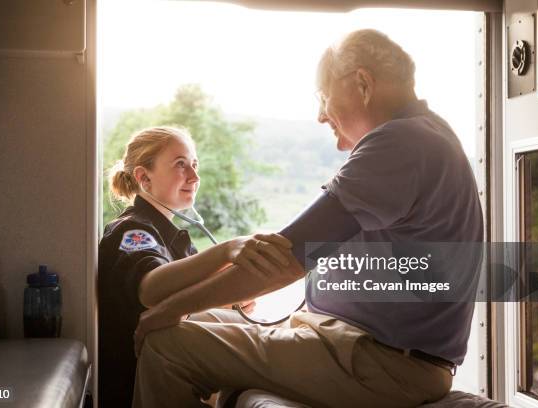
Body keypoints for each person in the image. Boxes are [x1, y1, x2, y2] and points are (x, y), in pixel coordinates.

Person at [132, 29, 484, 408]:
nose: (320, 115)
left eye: (323, 96)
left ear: (363, 84)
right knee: (195, 326)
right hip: (352, 347)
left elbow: (284, 259)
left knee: (166, 343)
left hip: (378, 363)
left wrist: (171, 308)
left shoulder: (401, 143)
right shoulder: (426, 136)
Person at [97, 126, 291, 407]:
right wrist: (226, 250)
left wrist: (229, 303)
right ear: (143, 177)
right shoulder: (133, 231)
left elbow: (187, 300)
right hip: (136, 387)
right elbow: (151, 289)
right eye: (180, 165)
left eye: (195, 164)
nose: (195, 177)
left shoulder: (171, 236)